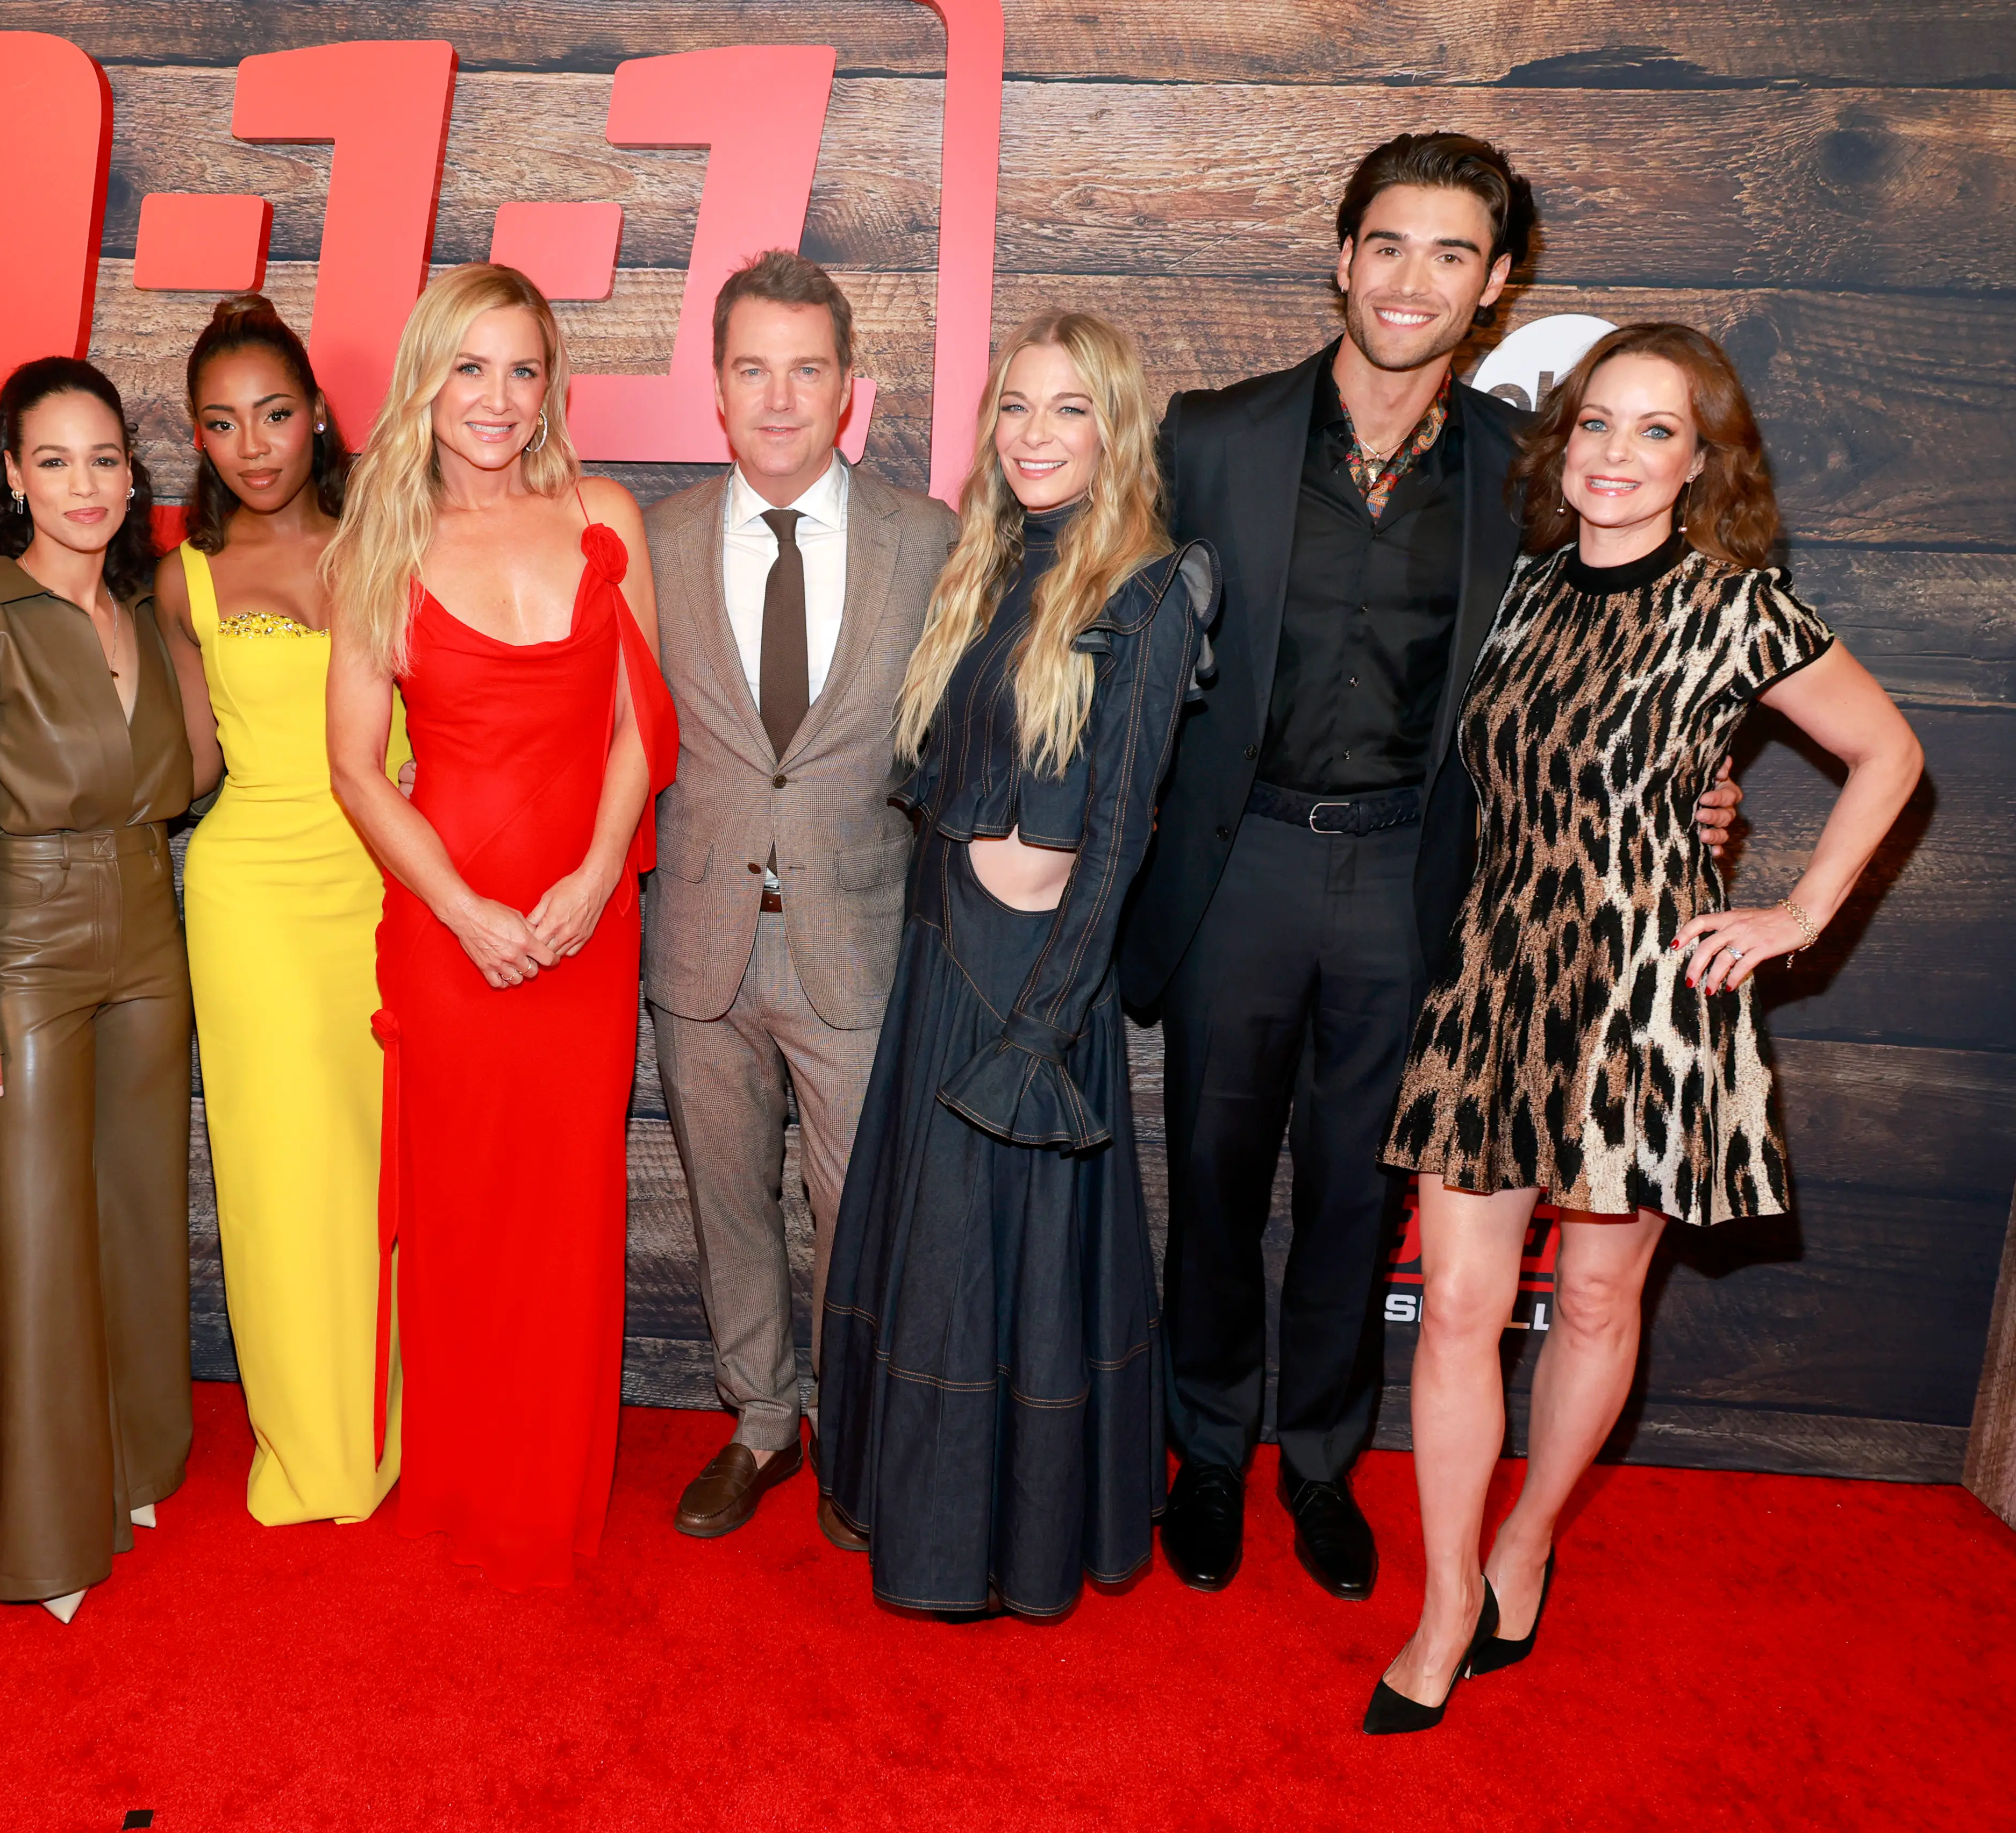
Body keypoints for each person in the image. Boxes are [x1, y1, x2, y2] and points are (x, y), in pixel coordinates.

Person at [1119, 134, 1745, 1602]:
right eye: (1388, 245)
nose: (1413, 280)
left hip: (1422, 886)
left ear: (1496, 286)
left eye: (1452, 255)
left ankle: (1322, 1464)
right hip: (1239, 869)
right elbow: (1109, 642)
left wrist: (1692, 784)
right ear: (1343, 258)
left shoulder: (1525, 476)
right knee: (1212, 1180)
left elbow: (1621, 644)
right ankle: (1207, 1453)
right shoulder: (1208, 436)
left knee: (1359, 1194)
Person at [1366, 324, 1922, 1731]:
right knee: (1457, 1320)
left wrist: (1796, 913)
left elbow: (1889, 753)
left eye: (1654, 431)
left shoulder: (1741, 606)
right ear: (1565, 445)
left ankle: (1530, 1537)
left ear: (1700, 460)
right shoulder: (1529, 588)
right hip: (1497, 981)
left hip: (1644, 1004)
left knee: (1600, 1304)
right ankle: (1442, 1605)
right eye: (1596, 425)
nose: (1616, 454)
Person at [816, 312, 1213, 1617]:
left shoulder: (1152, 589)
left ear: (1117, 432)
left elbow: (1116, 841)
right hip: (943, 961)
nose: (1035, 436)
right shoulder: (980, 565)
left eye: (1069, 411)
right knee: (936, 1264)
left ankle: (1009, 1543)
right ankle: (924, 1527)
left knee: (1009, 1274)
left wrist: (1042, 1032)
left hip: (1032, 987)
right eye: (1015, 408)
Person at [324, 263, 677, 1589]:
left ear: (552, 386)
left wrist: (597, 878)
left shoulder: (603, 518)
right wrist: (466, 911)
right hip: (446, 918)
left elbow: (645, 719)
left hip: (587, 920)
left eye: (522, 368)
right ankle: (468, 1479)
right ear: (426, 379)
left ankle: (553, 1487)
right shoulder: (383, 542)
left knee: (568, 1204)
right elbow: (358, 766)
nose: (496, 398)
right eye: (469, 367)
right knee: (466, 1211)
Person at [641, 252, 962, 1544]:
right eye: (751, 369)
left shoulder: (926, 539)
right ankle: (759, 1422)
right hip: (701, 947)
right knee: (728, 1205)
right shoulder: (649, 542)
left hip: (858, 945)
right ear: (715, 388)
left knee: (858, 1214)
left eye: (806, 369)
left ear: (849, 388)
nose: (778, 399)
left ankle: (856, 1431)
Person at [0, 357, 195, 1624]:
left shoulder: (149, 613)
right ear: (12, 476)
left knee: (137, 1215)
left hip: (149, 937)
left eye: (107, 460)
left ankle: (133, 1462)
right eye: (56, 460)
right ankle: (48, 1532)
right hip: (24, 952)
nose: (86, 485)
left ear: (133, 478)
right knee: (32, 1238)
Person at [152, 296, 410, 1525]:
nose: (254, 446)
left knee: (376, 1168)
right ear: (197, 442)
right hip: (250, 893)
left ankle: (393, 1421)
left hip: (382, 883)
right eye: (222, 424)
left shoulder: (393, 542)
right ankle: (312, 1444)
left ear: (317, 415)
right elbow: (192, 767)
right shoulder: (183, 582)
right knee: (274, 1173)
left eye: (274, 413)